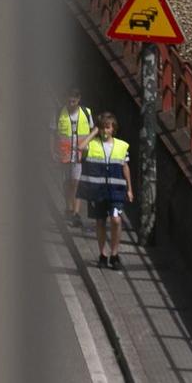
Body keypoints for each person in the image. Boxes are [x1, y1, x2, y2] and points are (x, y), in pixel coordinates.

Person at [80, 112, 134, 270]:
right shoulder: (93, 144)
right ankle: (103, 254)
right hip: (98, 191)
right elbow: (80, 147)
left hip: (116, 191)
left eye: (108, 128)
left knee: (116, 220)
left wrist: (129, 189)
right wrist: (93, 132)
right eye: (102, 128)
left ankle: (115, 254)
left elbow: (125, 167)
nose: (105, 131)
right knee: (100, 222)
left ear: (113, 129)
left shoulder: (121, 146)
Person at [56, 88, 95, 230]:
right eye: (69, 100)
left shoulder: (86, 113)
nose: (71, 103)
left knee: (76, 183)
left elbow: (92, 131)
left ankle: (76, 213)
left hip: (80, 155)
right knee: (67, 183)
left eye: (74, 101)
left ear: (79, 100)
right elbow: (53, 132)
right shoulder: (59, 112)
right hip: (64, 154)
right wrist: (51, 150)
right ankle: (68, 208)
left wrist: (87, 147)